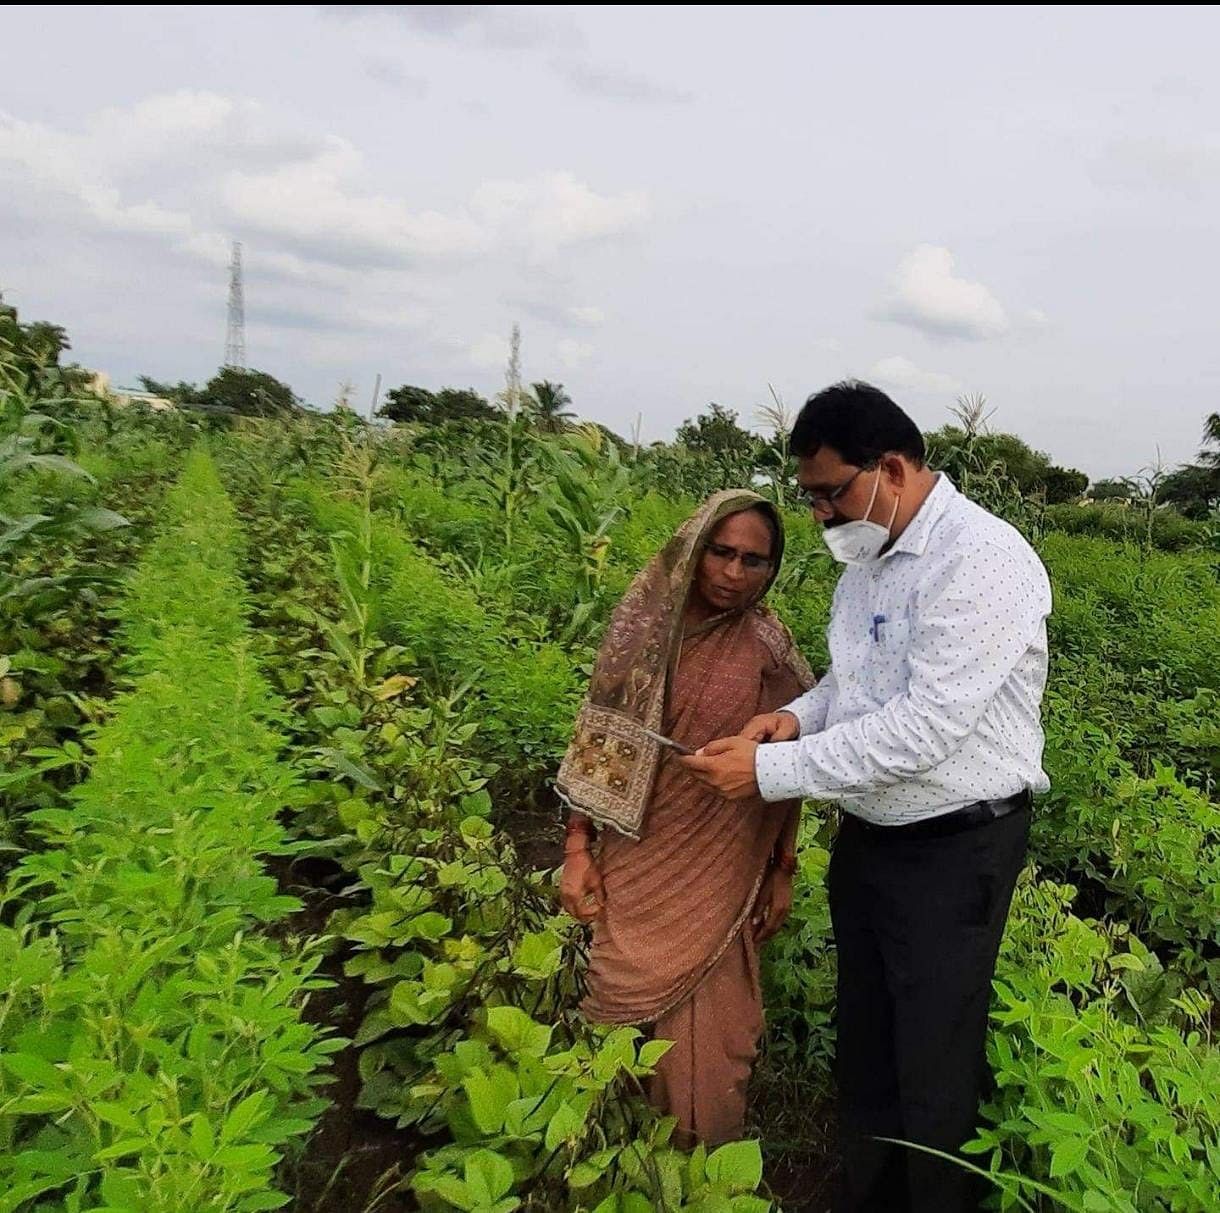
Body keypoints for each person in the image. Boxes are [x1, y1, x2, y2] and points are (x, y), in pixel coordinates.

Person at [683, 382, 1052, 1213]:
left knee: (932, 1052)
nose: (817, 513)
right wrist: (788, 717)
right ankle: (869, 1192)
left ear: (890, 467)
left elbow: (924, 728)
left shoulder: (980, 559)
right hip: (873, 834)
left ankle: (930, 1199)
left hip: (955, 847)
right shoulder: (870, 558)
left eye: (829, 491)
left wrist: (770, 773)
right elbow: (856, 690)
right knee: (871, 1035)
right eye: (808, 495)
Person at [555, 489, 815, 1146]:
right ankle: (610, 1157)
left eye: (753, 560)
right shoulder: (642, 630)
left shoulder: (768, 646)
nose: (733, 573)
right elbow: (599, 741)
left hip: (720, 866)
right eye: (721, 552)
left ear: (772, 568)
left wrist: (783, 866)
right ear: (693, 549)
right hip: (633, 856)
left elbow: (793, 765)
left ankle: (698, 1171)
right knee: (610, 1006)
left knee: (706, 1040)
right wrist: (578, 848)